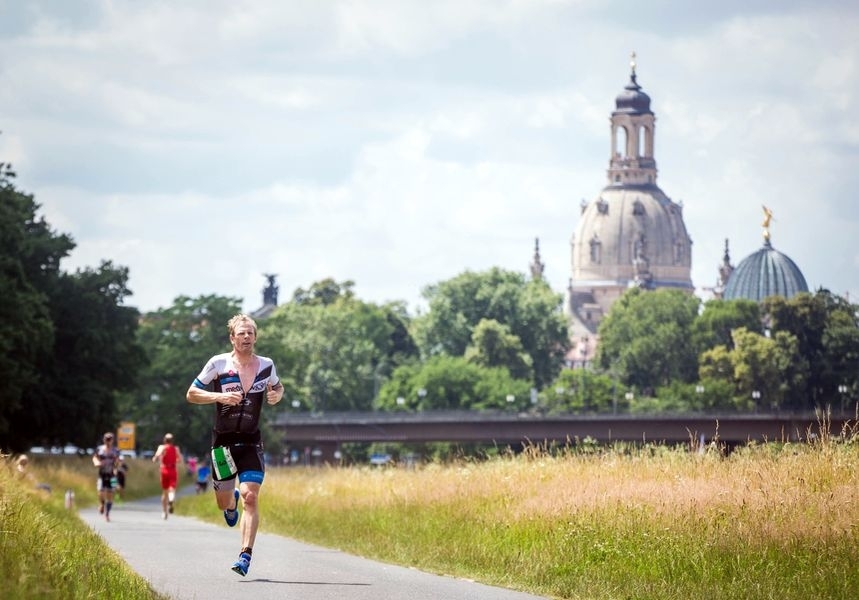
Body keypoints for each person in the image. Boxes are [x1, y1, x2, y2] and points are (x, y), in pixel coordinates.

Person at [186, 313, 284, 576]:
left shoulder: (266, 365)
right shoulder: (218, 363)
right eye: (241, 333)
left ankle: (244, 556)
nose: (246, 337)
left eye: (250, 333)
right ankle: (231, 504)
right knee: (223, 503)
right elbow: (192, 394)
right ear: (232, 338)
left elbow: (278, 387)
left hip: (251, 441)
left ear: (255, 337)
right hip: (223, 444)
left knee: (251, 497)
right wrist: (219, 396)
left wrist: (276, 395)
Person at [152, 433, 184, 520]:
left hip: (164, 470)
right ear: (172, 440)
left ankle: (164, 512)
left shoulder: (161, 447)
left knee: (164, 492)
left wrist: (155, 458)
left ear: (164, 440)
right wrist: (174, 461)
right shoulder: (176, 448)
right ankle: (171, 500)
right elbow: (180, 460)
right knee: (172, 489)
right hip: (172, 470)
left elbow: (156, 456)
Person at [92, 432, 120, 522]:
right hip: (102, 474)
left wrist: (116, 468)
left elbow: (118, 461)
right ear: (104, 440)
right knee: (100, 492)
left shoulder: (116, 450)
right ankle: (102, 504)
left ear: (112, 440)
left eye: (109, 439)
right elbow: (94, 457)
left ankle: (107, 514)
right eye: (106, 439)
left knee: (111, 494)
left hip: (112, 475)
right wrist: (96, 462)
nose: (108, 441)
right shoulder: (99, 449)